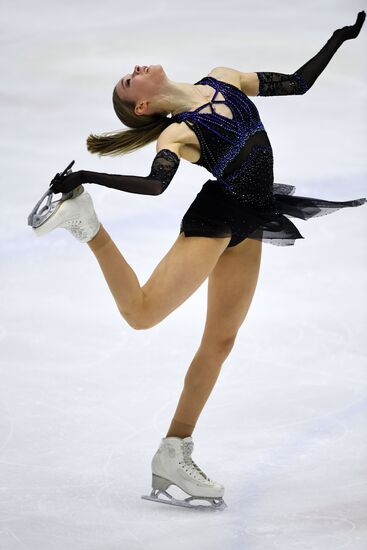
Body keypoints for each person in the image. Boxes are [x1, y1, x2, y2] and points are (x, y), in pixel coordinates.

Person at [28, 11, 366, 510]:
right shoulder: (177, 135)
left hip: (253, 215)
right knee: (141, 314)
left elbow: (296, 83)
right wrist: (90, 182)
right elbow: (155, 185)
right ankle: (87, 225)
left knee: (221, 342)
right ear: (143, 103)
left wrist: (337, 40)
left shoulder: (223, 79)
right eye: (129, 78)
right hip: (218, 219)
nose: (136, 67)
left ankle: (174, 450)